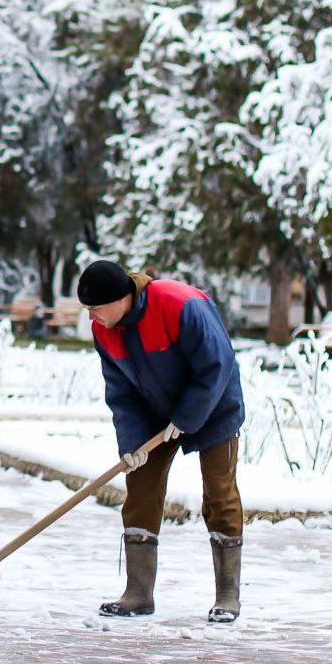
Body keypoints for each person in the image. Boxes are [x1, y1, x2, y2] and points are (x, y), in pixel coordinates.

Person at [78, 260, 245, 623]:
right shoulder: (104, 328)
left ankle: (227, 596)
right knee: (140, 489)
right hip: (154, 413)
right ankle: (138, 593)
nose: (91, 316)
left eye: (95, 307)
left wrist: (185, 418)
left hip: (213, 405)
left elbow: (216, 364)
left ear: (121, 298)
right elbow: (120, 390)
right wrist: (132, 441)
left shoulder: (180, 303)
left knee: (219, 493)